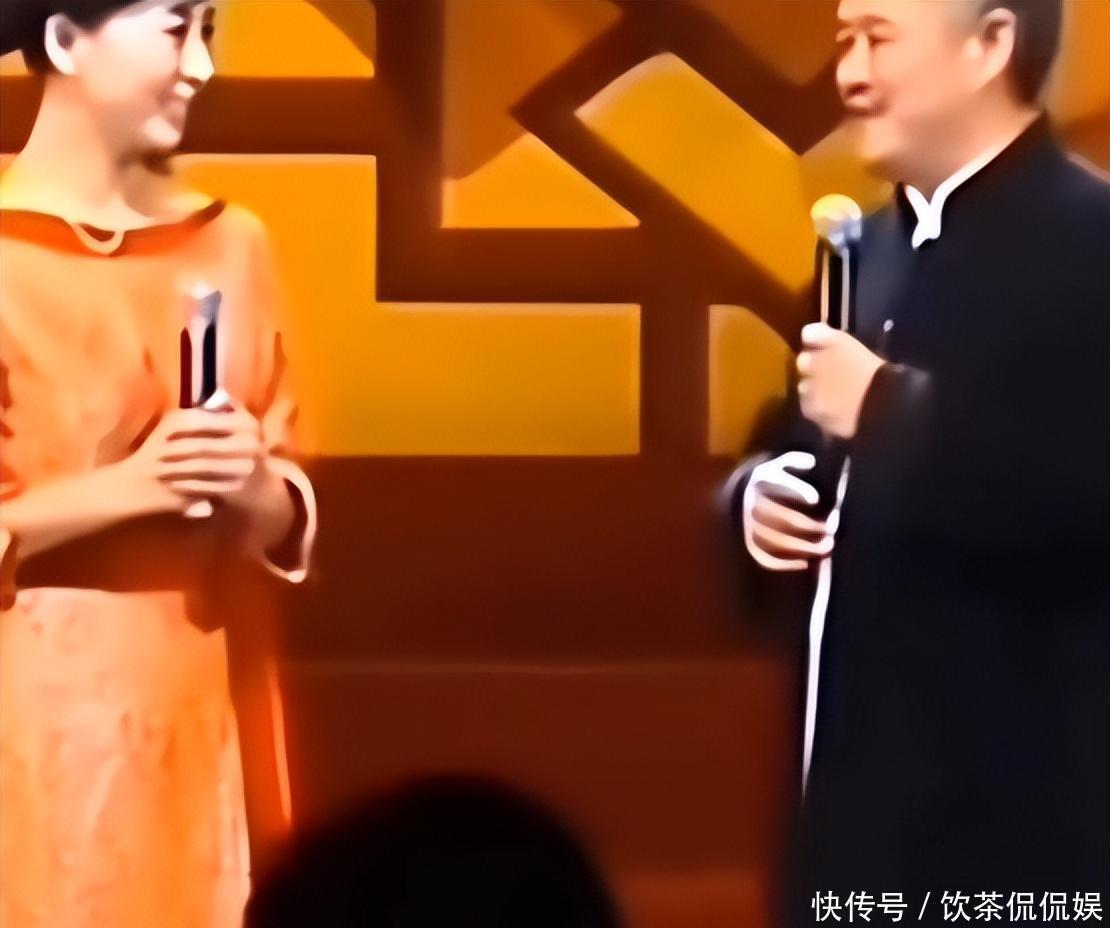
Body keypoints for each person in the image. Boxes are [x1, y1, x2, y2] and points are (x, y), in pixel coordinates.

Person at [730, 0, 1108, 920]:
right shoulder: (861, 254)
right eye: (843, 43)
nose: (850, 74)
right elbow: (798, 450)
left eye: (878, 39)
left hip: (1028, 849)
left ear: (991, 43)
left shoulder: (1093, 246)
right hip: (851, 837)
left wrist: (889, 411)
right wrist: (753, 502)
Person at [0, 1, 317, 925]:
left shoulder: (233, 243)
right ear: (65, 39)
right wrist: (129, 489)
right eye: (177, 28)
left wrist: (256, 485)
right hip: (30, 716)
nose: (200, 67)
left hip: (206, 698)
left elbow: (289, 498)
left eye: (209, 33)